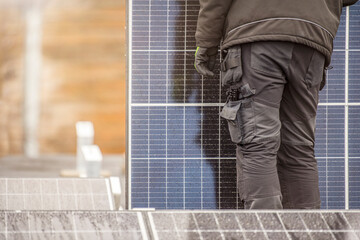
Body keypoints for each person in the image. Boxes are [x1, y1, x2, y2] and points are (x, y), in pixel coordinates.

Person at [195, 0, 359, 209]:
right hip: (313, 40)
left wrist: (207, 40)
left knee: (257, 142)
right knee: (299, 148)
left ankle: (266, 231)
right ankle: (309, 232)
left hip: (257, 34)